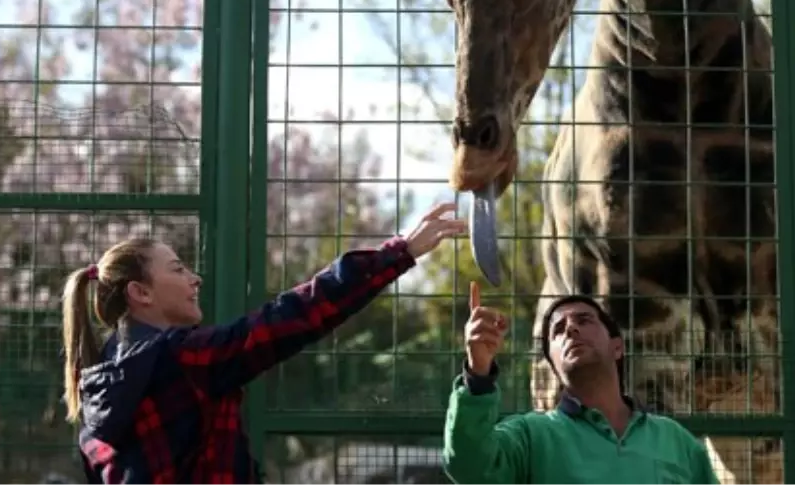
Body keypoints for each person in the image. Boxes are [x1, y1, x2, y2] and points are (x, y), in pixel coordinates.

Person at [61, 201, 467, 484]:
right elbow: (293, 317)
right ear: (141, 293)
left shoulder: (94, 395)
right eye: (178, 269)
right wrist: (399, 252)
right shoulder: (181, 359)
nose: (194, 278)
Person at [442, 281, 720, 484]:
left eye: (584, 320)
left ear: (617, 347)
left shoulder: (676, 441)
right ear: (551, 361)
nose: (571, 329)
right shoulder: (530, 436)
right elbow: (469, 466)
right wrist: (478, 373)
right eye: (558, 331)